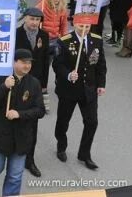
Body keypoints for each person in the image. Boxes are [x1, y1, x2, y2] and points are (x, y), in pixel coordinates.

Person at [0, 49, 45, 197]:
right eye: (23, 62)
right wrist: (4, 87)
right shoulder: (0, 78)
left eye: (29, 63)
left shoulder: (34, 83)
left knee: (15, 176)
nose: (27, 66)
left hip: (21, 139)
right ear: (14, 62)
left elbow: (40, 110)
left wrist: (19, 114)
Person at [53, 20, 106, 170]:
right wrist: (68, 75)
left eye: (87, 26)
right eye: (81, 26)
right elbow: (57, 64)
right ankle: (61, 146)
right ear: (75, 24)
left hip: (89, 89)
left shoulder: (96, 40)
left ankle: (85, 154)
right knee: (63, 121)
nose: (84, 29)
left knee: (92, 122)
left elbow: (101, 64)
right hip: (69, 90)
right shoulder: (64, 41)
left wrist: (101, 84)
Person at [15, 8, 50, 177]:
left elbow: (44, 62)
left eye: (37, 19)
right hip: (17, 82)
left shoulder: (44, 35)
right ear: (25, 19)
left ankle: (30, 160)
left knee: (32, 124)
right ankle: (13, 155)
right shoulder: (15, 34)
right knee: (14, 119)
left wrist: (43, 85)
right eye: (31, 19)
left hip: (35, 84)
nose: (34, 22)